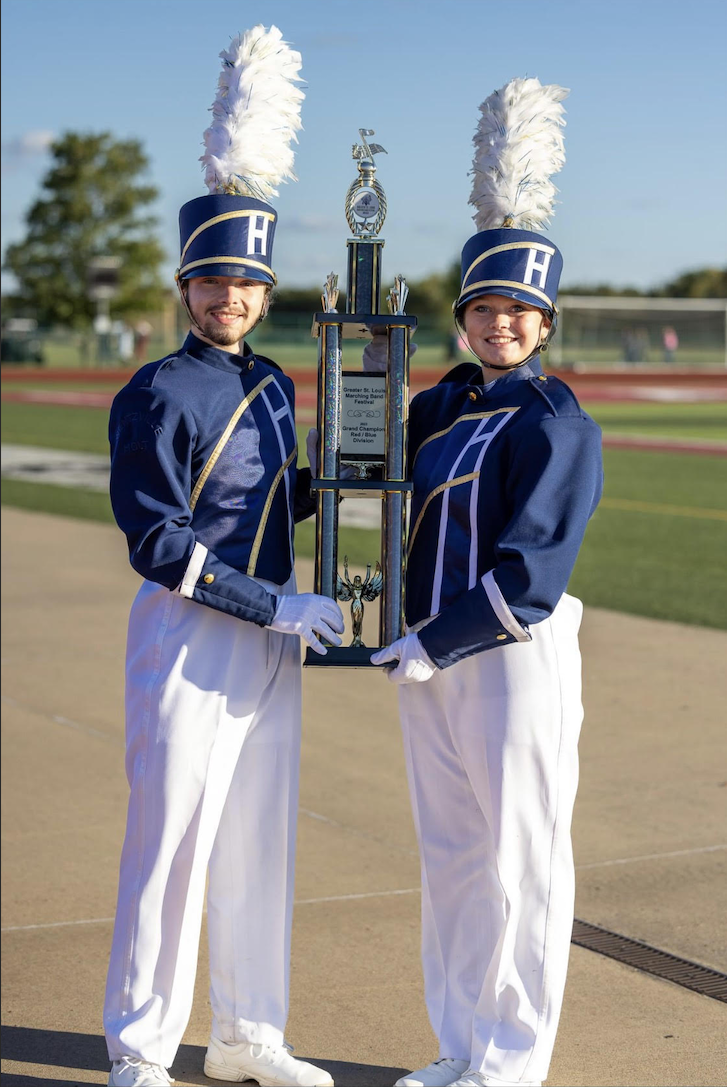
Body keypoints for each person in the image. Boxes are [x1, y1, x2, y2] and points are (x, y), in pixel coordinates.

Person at [103, 25, 341, 1087]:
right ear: (184, 283)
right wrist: (270, 602)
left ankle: (248, 1034)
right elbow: (158, 540)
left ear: (264, 288)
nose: (228, 300)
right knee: (170, 848)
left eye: (244, 283)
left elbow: (279, 506)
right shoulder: (157, 388)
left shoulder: (277, 379)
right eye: (210, 282)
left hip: (268, 631)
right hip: (192, 632)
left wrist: (344, 473)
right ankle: (140, 1048)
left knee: (257, 842)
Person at [369, 78, 604, 1087]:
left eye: (520, 309)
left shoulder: (556, 424)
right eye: (484, 306)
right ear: (462, 316)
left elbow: (531, 578)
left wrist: (431, 640)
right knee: (454, 860)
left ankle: (509, 1063)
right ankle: (458, 1042)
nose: (500, 322)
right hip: (429, 658)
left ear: (544, 322)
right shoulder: (437, 410)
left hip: (506, 657)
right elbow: (379, 486)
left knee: (522, 866)